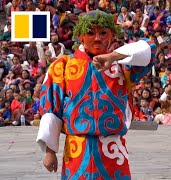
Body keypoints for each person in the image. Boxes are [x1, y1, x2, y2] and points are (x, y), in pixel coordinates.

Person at [36, 10, 155, 179]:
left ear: (112, 35)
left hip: (112, 149)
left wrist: (114, 56)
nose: (97, 38)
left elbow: (150, 48)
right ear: (80, 37)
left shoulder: (122, 66)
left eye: (103, 33)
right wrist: (50, 151)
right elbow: (51, 109)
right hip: (77, 148)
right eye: (90, 33)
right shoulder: (62, 65)